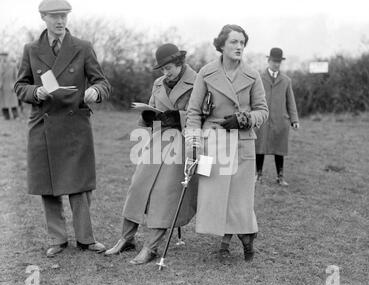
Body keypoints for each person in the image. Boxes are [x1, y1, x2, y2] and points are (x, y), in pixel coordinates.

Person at [14, 0, 111, 257]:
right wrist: (36, 91)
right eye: (55, 16)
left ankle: (85, 239)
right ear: (43, 18)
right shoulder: (31, 49)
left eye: (64, 16)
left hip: (75, 123)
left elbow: (102, 82)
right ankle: (57, 239)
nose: (60, 21)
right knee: (48, 185)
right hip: (43, 124)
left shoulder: (82, 47)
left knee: (79, 184)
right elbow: (20, 86)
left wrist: (94, 91)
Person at [105, 44, 198, 265]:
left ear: (180, 62)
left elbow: (202, 114)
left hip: (182, 141)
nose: (165, 72)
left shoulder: (197, 82)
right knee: (137, 186)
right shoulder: (158, 83)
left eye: (169, 68)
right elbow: (151, 110)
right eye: (162, 69)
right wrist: (147, 116)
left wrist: (179, 117)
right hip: (158, 140)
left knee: (164, 194)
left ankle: (151, 247)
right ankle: (126, 238)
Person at [185, 24, 268, 261]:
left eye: (242, 42)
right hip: (212, 141)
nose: (239, 46)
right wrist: (194, 144)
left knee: (240, 196)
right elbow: (193, 112)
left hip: (243, 142)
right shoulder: (206, 73)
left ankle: (244, 238)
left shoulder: (252, 75)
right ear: (221, 45)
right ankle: (226, 237)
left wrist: (244, 118)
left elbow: (263, 111)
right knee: (215, 194)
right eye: (234, 42)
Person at [254, 48, 299, 186]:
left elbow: (290, 101)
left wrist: (294, 119)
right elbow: (253, 98)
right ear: (268, 61)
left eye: (279, 62)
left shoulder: (286, 80)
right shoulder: (259, 78)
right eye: (274, 61)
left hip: (280, 120)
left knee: (279, 149)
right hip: (262, 120)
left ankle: (280, 176)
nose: (276, 64)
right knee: (259, 147)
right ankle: (258, 174)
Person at [0, 52, 19, 120]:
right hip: (2, 87)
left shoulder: (13, 65)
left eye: (5, 56)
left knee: (13, 102)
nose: (3, 58)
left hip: (11, 85)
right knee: (3, 102)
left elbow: (16, 76)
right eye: (1, 56)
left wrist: (14, 85)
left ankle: (15, 115)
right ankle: (6, 116)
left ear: (7, 57)